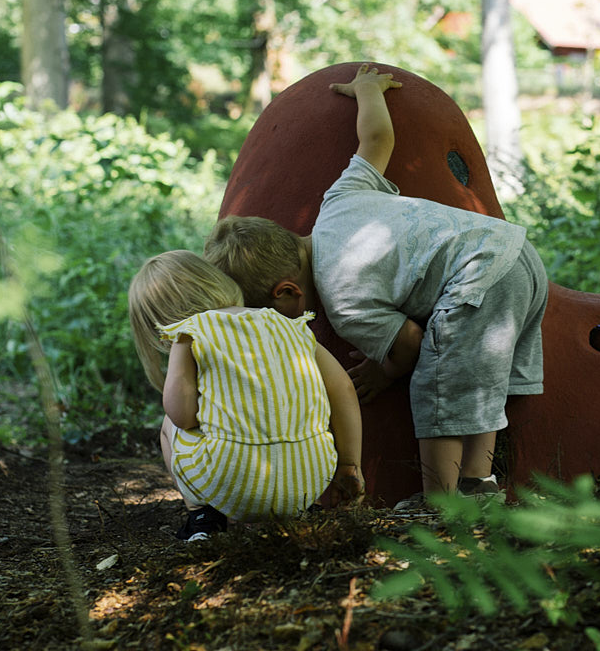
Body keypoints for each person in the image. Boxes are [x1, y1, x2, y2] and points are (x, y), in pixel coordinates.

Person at [204, 64, 548, 509]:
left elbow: (409, 343)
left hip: (478, 279)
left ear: (287, 293)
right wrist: (367, 91)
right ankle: (477, 484)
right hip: (515, 251)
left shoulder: (344, 299)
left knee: (438, 383)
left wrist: (380, 372)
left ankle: (440, 502)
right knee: (479, 381)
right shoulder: (339, 200)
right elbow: (377, 140)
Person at [128, 250, 364, 540]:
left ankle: (202, 518)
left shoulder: (188, 333)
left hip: (230, 481)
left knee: (169, 426)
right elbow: (343, 388)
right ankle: (300, 511)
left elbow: (183, 415)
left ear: (159, 323)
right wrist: (349, 464)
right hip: (311, 477)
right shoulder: (288, 324)